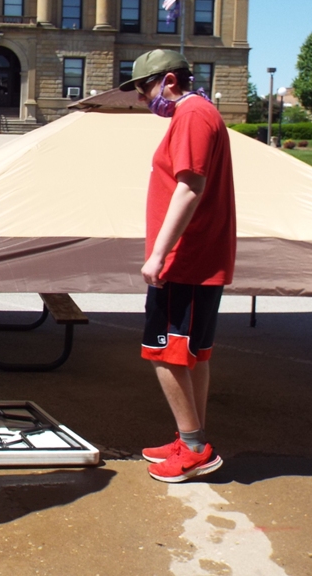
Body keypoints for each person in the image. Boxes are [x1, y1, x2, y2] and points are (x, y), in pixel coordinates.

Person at [118, 49, 236, 483]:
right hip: (197, 258)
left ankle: (195, 449)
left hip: (185, 260)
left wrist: (159, 254)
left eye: (144, 88)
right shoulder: (201, 113)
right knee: (192, 355)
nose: (141, 98)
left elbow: (189, 187)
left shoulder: (191, 115)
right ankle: (192, 437)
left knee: (164, 353)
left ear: (169, 80)